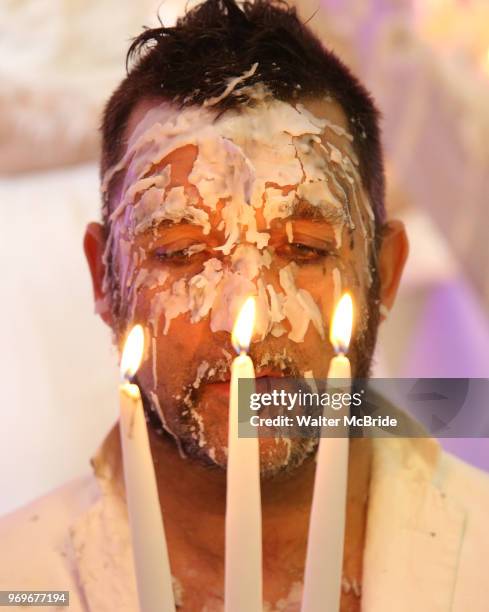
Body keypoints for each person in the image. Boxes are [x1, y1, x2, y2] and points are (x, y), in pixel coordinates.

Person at [1, 1, 488, 610]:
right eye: (181, 253)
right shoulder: (17, 579)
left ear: (383, 274)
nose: (244, 320)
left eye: (306, 249)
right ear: (105, 276)